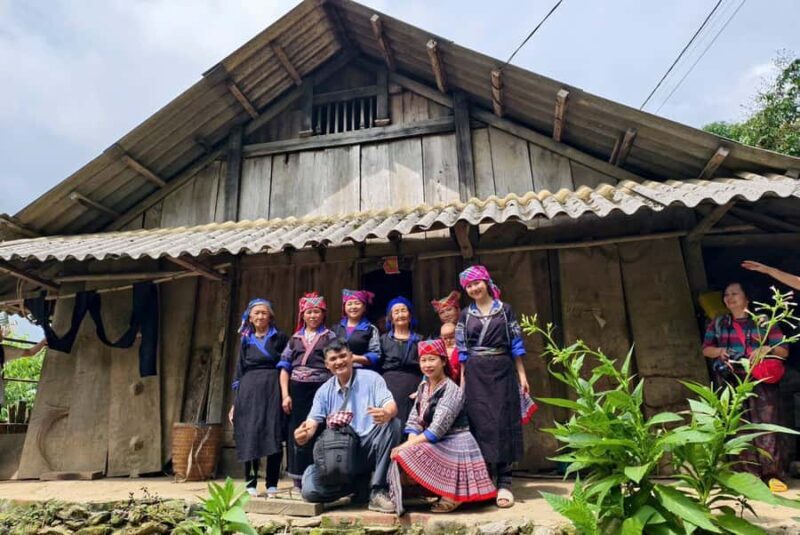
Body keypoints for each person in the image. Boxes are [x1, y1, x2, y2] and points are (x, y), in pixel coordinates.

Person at [702, 281, 790, 492]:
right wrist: (720, 352)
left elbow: (784, 351)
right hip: (732, 380)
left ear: (746, 298)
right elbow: (706, 349)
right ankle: (747, 478)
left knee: (765, 427)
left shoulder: (763, 321)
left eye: (735, 293)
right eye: (726, 294)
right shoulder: (719, 323)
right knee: (738, 427)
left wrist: (766, 348)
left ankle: (772, 475)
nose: (729, 298)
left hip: (761, 381)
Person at [390, 339, 497, 513]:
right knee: (405, 454)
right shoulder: (423, 387)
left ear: (444, 361)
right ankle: (424, 492)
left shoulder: (451, 390)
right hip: (435, 440)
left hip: (455, 442)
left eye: (432, 359)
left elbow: (436, 430)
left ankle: (453, 495)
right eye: (423, 360)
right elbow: (414, 420)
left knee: (405, 450)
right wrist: (409, 449)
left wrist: (405, 447)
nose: (427, 365)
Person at [295, 339, 401, 513]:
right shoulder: (323, 391)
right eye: (334, 359)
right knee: (309, 490)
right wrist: (302, 435)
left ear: (351, 357)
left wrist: (387, 413)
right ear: (327, 364)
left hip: (368, 446)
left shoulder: (372, 379)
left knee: (393, 425)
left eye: (343, 356)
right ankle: (356, 486)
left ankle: (377, 490)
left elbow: (390, 405)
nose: (339, 362)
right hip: (340, 454)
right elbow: (311, 424)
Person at [456, 265, 529, 508]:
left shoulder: (505, 311)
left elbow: (516, 344)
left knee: (503, 421)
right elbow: (463, 351)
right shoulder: (466, 315)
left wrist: (522, 376)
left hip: (502, 369)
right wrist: (463, 381)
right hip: (476, 374)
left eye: (477, 283)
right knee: (481, 422)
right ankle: (486, 480)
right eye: (469, 286)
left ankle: (505, 482)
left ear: (486, 282)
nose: (474, 288)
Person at [228, 299, 289, 498]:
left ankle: (272, 483)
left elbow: (286, 366)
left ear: (270, 316)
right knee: (250, 434)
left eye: (264, 313)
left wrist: (285, 394)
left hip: (273, 387)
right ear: (250, 318)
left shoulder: (279, 338)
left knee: (273, 432)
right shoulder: (246, 340)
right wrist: (235, 404)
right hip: (249, 389)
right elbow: (239, 370)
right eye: (256, 313)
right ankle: (251, 482)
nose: (260, 316)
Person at [278, 292, 338, 489]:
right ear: (302, 315)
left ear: (323, 314)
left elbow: (336, 364)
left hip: (321, 388)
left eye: (317, 312)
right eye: (309, 312)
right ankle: (297, 479)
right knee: (297, 431)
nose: (313, 316)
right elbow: (285, 367)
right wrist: (286, 395)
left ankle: (318, 476)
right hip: (297, 391)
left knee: (319, 429)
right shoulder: (295, 339)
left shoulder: (330, 336)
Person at [379, 297, 422, 425]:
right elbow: (376, 365)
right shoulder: (383, 340)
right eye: (396, 312)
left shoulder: (420, 340)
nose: (400, 315)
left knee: (411, 423)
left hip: (413, 386)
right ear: (391, 318)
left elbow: (427, 366)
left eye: (403, 311)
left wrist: (423, 386)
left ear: (410, 315)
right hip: (389, 386)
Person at [333, 289, 381, 368]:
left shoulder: (370, 329)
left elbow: (376, 354)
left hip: (362, 371)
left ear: (364, 307)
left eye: (357, 303)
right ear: (344, 307)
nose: (353, 307)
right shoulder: (336, 328)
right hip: (338, 370)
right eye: (349, 304)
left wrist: (355, 358)